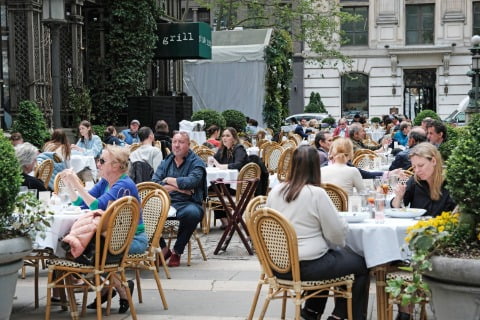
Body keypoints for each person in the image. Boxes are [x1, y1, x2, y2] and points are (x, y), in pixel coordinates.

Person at [266, 145, 368, 320]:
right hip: (307, 267)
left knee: (331, 257)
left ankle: (311, 313)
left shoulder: (275, 192)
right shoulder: (316, 194)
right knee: (361, 264)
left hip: (279, 266)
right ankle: (341, 316)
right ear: (316, 168)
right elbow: (336, 234)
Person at [59, 145, 147, 313]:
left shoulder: (123, 186)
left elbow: (96, 205)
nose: (97, 164)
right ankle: (117, 287)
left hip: (132, 240)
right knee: (89, 246)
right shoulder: (106, 182)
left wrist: (77, 183)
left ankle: (114, 287)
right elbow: (83, 204)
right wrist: (70, 185)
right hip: (111, 237)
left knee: (89, 249)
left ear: (115, 166)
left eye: (101, 161)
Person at [152, 131, 207, 267]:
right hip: (167, 202)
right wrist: (179, 188)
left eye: (181, 142)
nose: (176, 145)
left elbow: (191, 182)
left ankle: (177, 251)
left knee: (193, 213)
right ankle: (164, 249)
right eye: (174, 142)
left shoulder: (196, 163)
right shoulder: (166, 162)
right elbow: (154, 182)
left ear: (188, 145)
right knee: (145, 213)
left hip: (188, 203)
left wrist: (169, 180)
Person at [391, 142, 456, 217]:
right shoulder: (415, 182)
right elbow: (395, 208)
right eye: (414, 167)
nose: (417, 170)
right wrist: (399, 197)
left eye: (421, 165)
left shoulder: (451, 184)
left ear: (433, 161)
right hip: (417, 227)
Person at [211, 127, 249, 228]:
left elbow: (239, 164)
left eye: (228, 136)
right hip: (225, 183)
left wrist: (223, 166)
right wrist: (212, 162)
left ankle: (228, 219)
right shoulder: (222, 150)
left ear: (234, 138)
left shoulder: (239, 148)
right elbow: (214, 161)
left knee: (214, 188)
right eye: (223, 136)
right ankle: (225, 220)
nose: (224, 138)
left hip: (237, 185)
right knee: (211, 187)